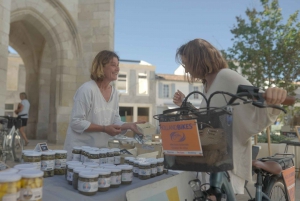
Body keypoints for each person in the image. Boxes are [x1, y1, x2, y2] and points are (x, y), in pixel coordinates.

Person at [172, 39, 287, 195]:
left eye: (187, 64)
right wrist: (185, 105)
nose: (186, 70)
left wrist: (274, 95)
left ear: (197, 60)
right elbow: (207, 118)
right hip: (213, 154)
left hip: (227, 155)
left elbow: (255, 96)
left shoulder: (226, 76)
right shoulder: (207, 85)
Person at [63, 50, 144, 160]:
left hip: (99, 154)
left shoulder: (115, 93)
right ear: (101, 67)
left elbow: (115, 121)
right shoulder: (87, 89)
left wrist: (129, 125)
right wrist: (104, 129)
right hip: (79, 153)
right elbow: (76, 122)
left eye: (118, 65)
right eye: (113, 65)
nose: (118, 69)